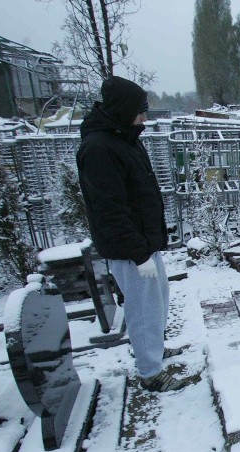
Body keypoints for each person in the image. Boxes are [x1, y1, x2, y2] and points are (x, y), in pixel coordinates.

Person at [76, 76, 181, 391]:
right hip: (129, 248)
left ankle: (155, 350)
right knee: (143, 309)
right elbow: (109, 209)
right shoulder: (99, 148)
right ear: (123, 110)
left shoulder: (123, 137)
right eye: (140, 112)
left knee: (159, 298)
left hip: (142, 244)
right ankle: (150, 373)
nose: (144, 119)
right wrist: (137, 253)